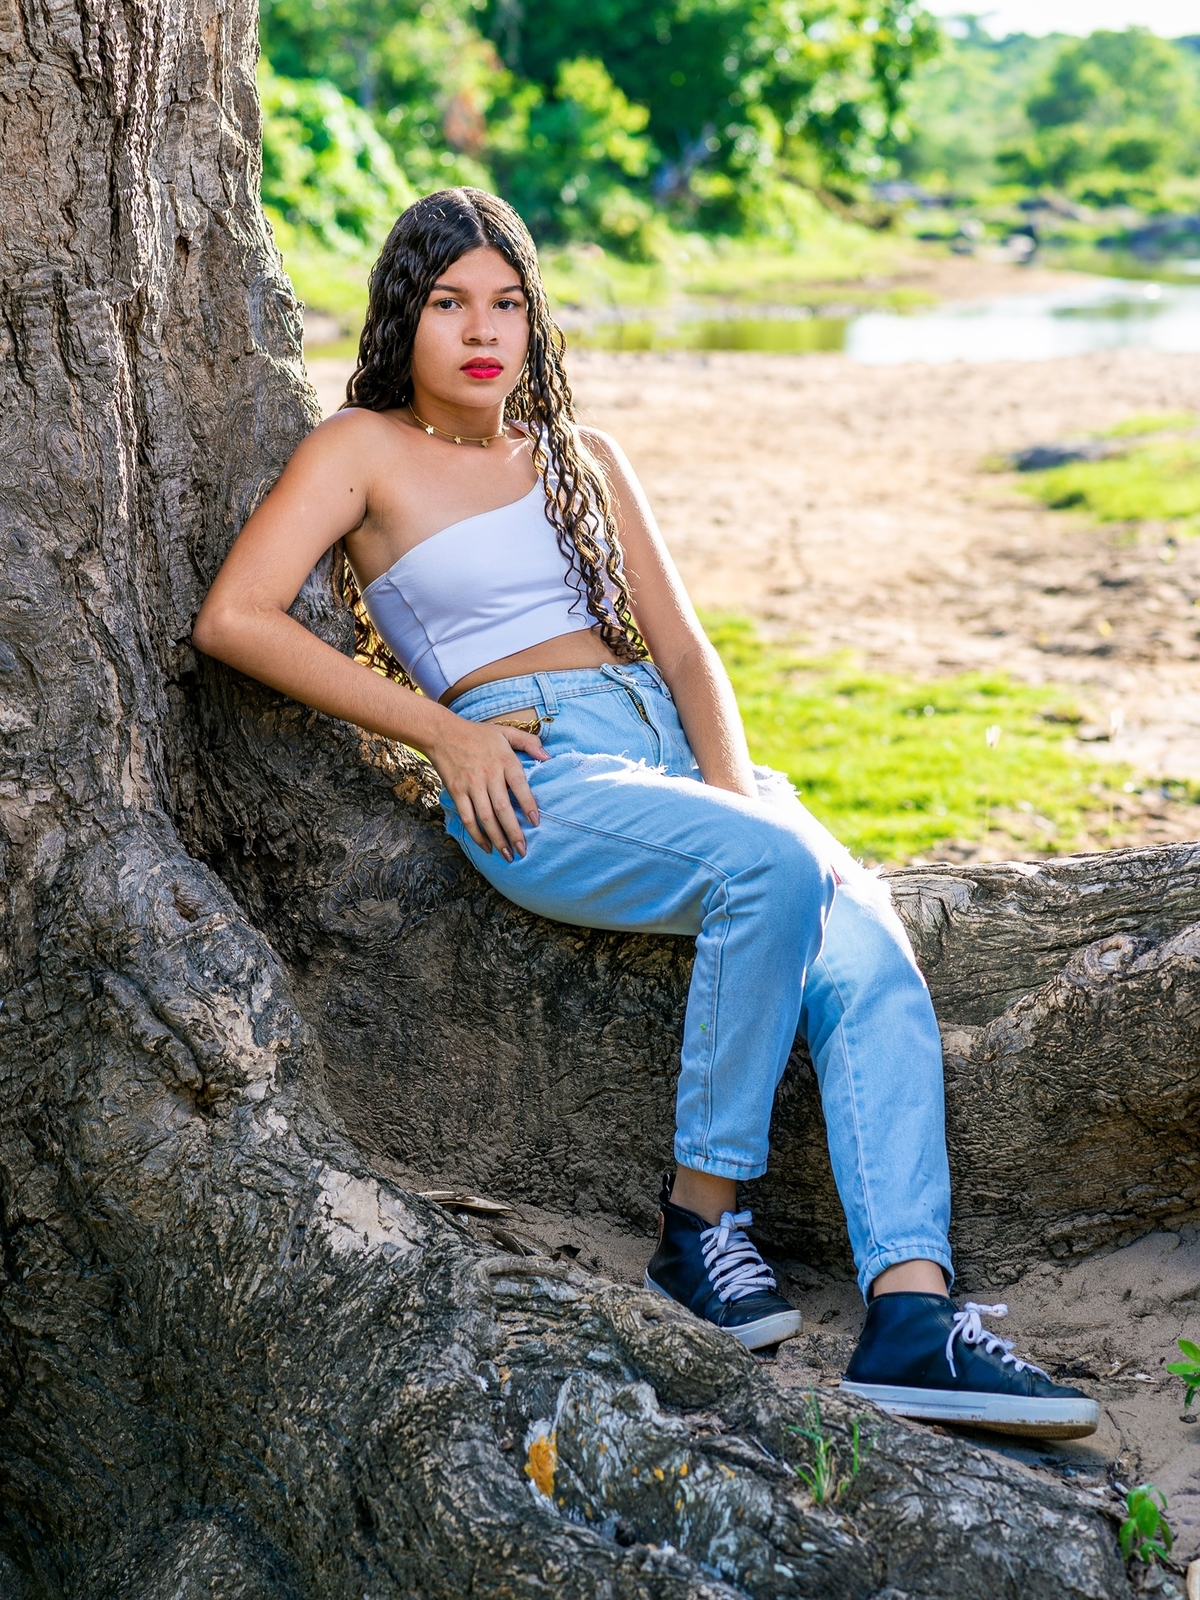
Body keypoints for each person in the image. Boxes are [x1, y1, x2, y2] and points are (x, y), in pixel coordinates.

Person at [194, 187, 1097, 1441]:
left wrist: (738, 802)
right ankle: (698, 1227)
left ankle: (912, 1311)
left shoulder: (584, 456)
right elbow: (232, 619)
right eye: (450, 302)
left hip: (673, 757)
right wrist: (444, 731)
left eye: (506, 303)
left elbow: (684, 651)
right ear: (404, 315)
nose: (481, 330)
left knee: (871, 955)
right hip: (535, 767)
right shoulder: (357, 451)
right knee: (782, 869)